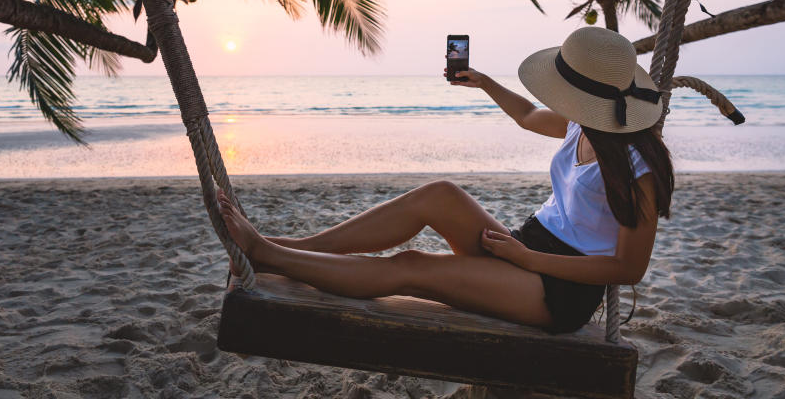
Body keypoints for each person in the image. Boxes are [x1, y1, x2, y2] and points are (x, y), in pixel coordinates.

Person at [217, 27, 675, 333]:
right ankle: (301, 248)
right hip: (527, 247)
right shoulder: (585, 122)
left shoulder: (638, 169)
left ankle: (267, 254)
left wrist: (529, 258)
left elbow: (627, 269)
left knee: (412, 268)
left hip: (558, 289)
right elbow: (530, 115)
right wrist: (483, 82)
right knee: (441, 195)